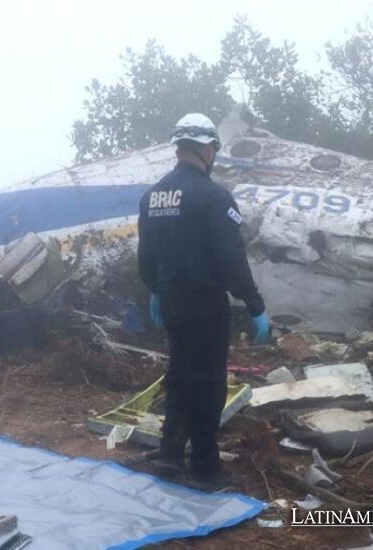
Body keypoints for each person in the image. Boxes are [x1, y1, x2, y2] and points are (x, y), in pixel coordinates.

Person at [137, 112, 269, 488]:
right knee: (209, 382)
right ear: (206, 148)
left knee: (179, 375)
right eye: (213, 149)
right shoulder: (213, 196)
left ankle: (169, 456)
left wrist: (156, 291)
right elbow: (232, 259)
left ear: (180, 147)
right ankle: (206, 467)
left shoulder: (153, 197)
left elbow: (146, 258)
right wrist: (255, 305)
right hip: (207, 305)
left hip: (173, 303)